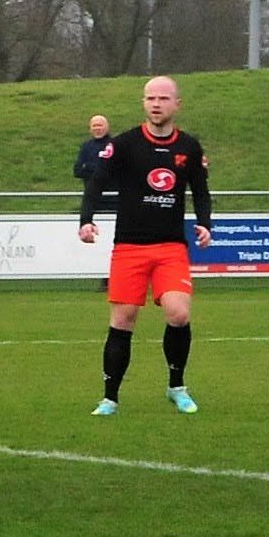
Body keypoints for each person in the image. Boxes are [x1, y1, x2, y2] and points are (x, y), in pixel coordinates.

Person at [78, 76, 212, 415]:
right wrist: (86, 219)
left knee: (178, 313)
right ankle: (110, 398)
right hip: (130, 247)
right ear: (143, 103)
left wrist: (205, 223)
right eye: (150, 98)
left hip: (170, 247)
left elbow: (200, 190)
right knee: (123, 319)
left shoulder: (190, 147)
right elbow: (96, 181)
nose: (156, 103)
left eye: (163, 98)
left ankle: (176, 387)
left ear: (176, 104)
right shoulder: (125, 144)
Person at [73, 114, 116, 294]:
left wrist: (94, 169)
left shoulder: (115, 145)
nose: (97, 128)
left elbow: (117, 169)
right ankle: (103, 278)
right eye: (94, 126)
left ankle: (114, 279)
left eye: (100, 125)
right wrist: (98, 169)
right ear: (90, 129)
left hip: (115, 201)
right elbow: (77, 170)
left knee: (116, 242)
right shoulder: (86, 147)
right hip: (94, 202)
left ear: (107, 127)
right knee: (99, 243)